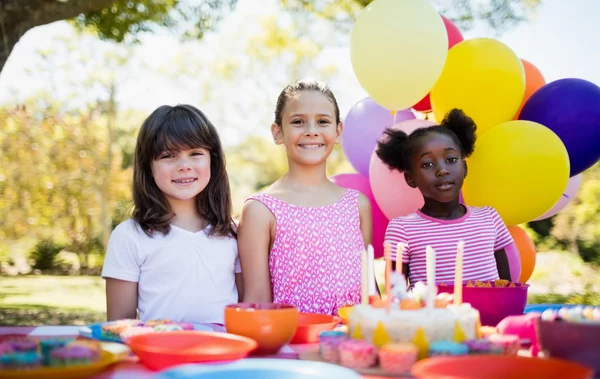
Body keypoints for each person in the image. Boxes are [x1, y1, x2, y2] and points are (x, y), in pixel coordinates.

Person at [237, 80, 373, 315]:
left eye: (323, 121)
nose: (311, 130)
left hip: (353, 344)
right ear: (278, 132)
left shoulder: (357, 204)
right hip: (293, 345)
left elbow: (370, 291)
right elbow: (257, 300)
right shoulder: (261, 210)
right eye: (298, 122)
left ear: (338, 131)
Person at [102, 104, 242, 324]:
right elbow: (120, 324)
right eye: (168, 155)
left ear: (212, 161)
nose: (184, 165)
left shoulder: (235, 233)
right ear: (148, 166)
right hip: (160, 354)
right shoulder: (128, 236)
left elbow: (247, 309)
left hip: (225, 355)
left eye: (195, 153)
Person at [376, 109, 513, 287]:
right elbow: (397, 297)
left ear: (464, 168)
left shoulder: (489, 217)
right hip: (431, 315)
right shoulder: (402, 228)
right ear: (411, 178)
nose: (442, 170)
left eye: (450, 160)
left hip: (490, 316)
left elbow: (508, 288)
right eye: (428, 164)